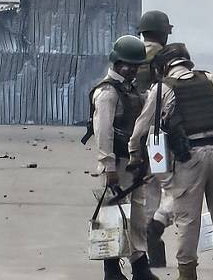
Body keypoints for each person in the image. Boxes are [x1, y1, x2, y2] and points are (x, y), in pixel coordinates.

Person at [129, 43, 213, 280]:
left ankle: (187, 274)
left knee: (188, 220)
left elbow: (142, 126)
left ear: (165, 66)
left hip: (190, 158)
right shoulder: (208, 78)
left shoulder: (162, 88)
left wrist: (134, 152)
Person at [86, 36, 158, 280]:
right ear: (116, 61)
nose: (130, 69)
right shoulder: (107, 92)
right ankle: (111, 268)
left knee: (137, 214)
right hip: (117, 163)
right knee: (112, 216)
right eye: (125, 64)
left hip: (134, 163)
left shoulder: (133, 89)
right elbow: (103, 130)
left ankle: (139, 264)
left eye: (134, 65)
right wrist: (108, 165)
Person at [136, 10, 173, 268]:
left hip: (134, 137)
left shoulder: (129, 54)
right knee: (173, 188)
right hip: (160, 138)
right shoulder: (169, 58)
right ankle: (155, 226)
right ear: (163, 34)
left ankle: (145, 242)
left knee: (146, 187)